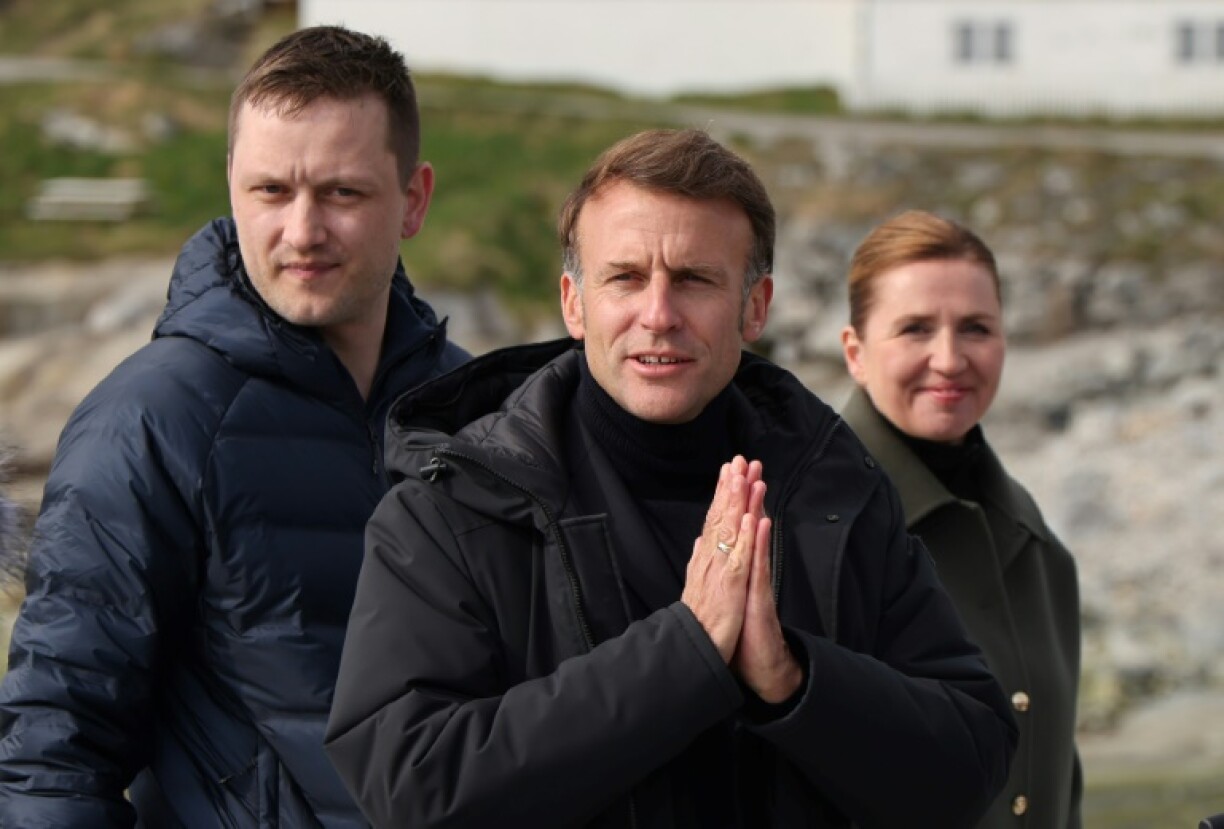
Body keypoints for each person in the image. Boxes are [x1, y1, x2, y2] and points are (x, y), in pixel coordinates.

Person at [324, 128, 1017, 827]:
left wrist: (795, 680)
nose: (658, 315)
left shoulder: (837, 492)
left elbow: (973, 759)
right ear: (574, 302)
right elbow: (412, 787)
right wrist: (685, 653)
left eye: (694, 279)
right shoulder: (448, 511)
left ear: (755, 306)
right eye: (625, 277)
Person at [0, 25, 468, 827]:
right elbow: (53, 756)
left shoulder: (476, 410)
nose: (303, 231)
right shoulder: (147, 422)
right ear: (231, 186)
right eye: (271, 191)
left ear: (414, 199)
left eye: (342, 193)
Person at [838, 209, 1081, 827]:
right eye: (915, 329)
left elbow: (1058, 786)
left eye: (976, 328)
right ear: (855, 353)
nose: (949, 359)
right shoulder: (808, 527)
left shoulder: (1036, 542)